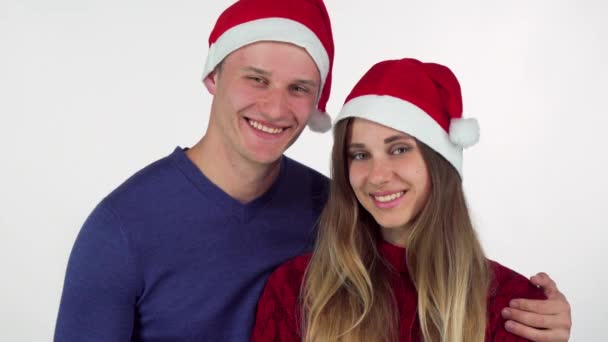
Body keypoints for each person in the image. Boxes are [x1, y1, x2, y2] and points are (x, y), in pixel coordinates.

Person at [54, 1, 570, 341]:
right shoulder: (120, 230)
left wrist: (544, 314)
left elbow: (432, 264)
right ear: (213, 76)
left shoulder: (339, 205)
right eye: (256, 79)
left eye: (299, 88)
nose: (276, 108)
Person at [251, 58, 571, 341]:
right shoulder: (297, 291)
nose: (377, 175)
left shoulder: (515, 307)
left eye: (399, 149)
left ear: (440, 162)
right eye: (360, 154)